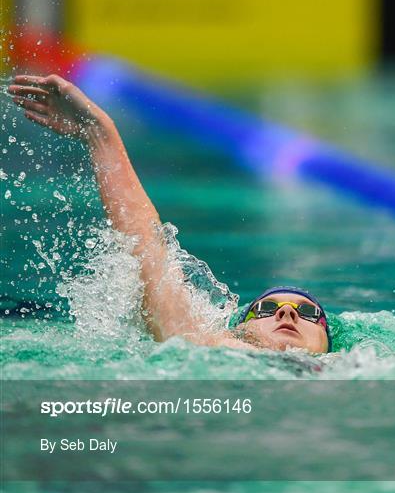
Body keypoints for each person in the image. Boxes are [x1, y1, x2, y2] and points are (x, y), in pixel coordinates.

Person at [8, 74, 331, 354]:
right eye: (266, 309)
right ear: (239, 330)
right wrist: (100, 136)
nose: (286, 315)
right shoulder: (220, 350)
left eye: (307, 313)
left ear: (327, 342)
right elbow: (152, 258)